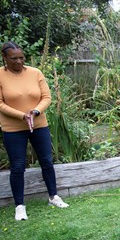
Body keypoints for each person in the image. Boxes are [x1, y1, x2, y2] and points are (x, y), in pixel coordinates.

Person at [0, 42, 69, 221]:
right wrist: (22, 116)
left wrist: (35, 111)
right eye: (13, 58)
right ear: (5, 58)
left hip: (39, 125)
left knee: (46, 161)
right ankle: (20, 206)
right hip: (13, 129)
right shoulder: (0, 75)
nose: (18, 61)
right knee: (17, 166)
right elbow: (0, 104)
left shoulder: (35, 73)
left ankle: (53, 197)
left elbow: (46, 97)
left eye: (21, 57)